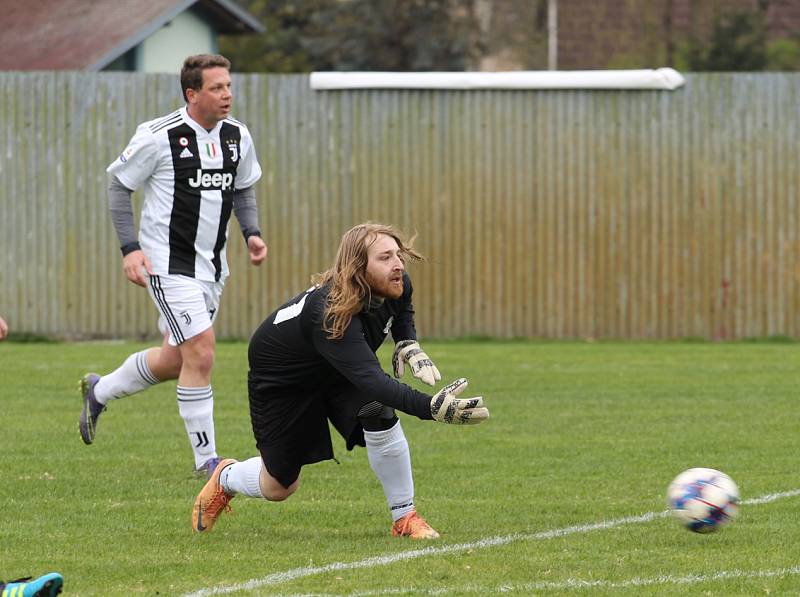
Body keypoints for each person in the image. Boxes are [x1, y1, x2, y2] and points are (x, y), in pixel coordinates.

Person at [192, 223, 488, 538]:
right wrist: (431, 407)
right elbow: (374, 381)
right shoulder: (332, 314)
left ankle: (405, 518)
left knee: (377, 411)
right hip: (284, 382)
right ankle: (226, 477)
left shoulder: (397, 282)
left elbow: (403, 310)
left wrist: (406, 341)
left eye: (398, 255)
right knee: (279, 485)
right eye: (385, 257)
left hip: (335, 369)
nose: (398, 264)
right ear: (358, 268)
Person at [78, 54, 267, 478]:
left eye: (229, 86)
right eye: (217, 88)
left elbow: (243, 188)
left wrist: (251, 232)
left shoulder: (237, 136)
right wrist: (130, 248)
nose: (227, 95)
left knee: (175, 361)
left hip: (212, 269)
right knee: (201, 350)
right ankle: (208, 464)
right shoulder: (158, 136)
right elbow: (118, 187)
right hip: (168, 266)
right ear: (192, 93)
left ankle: (100, 390)